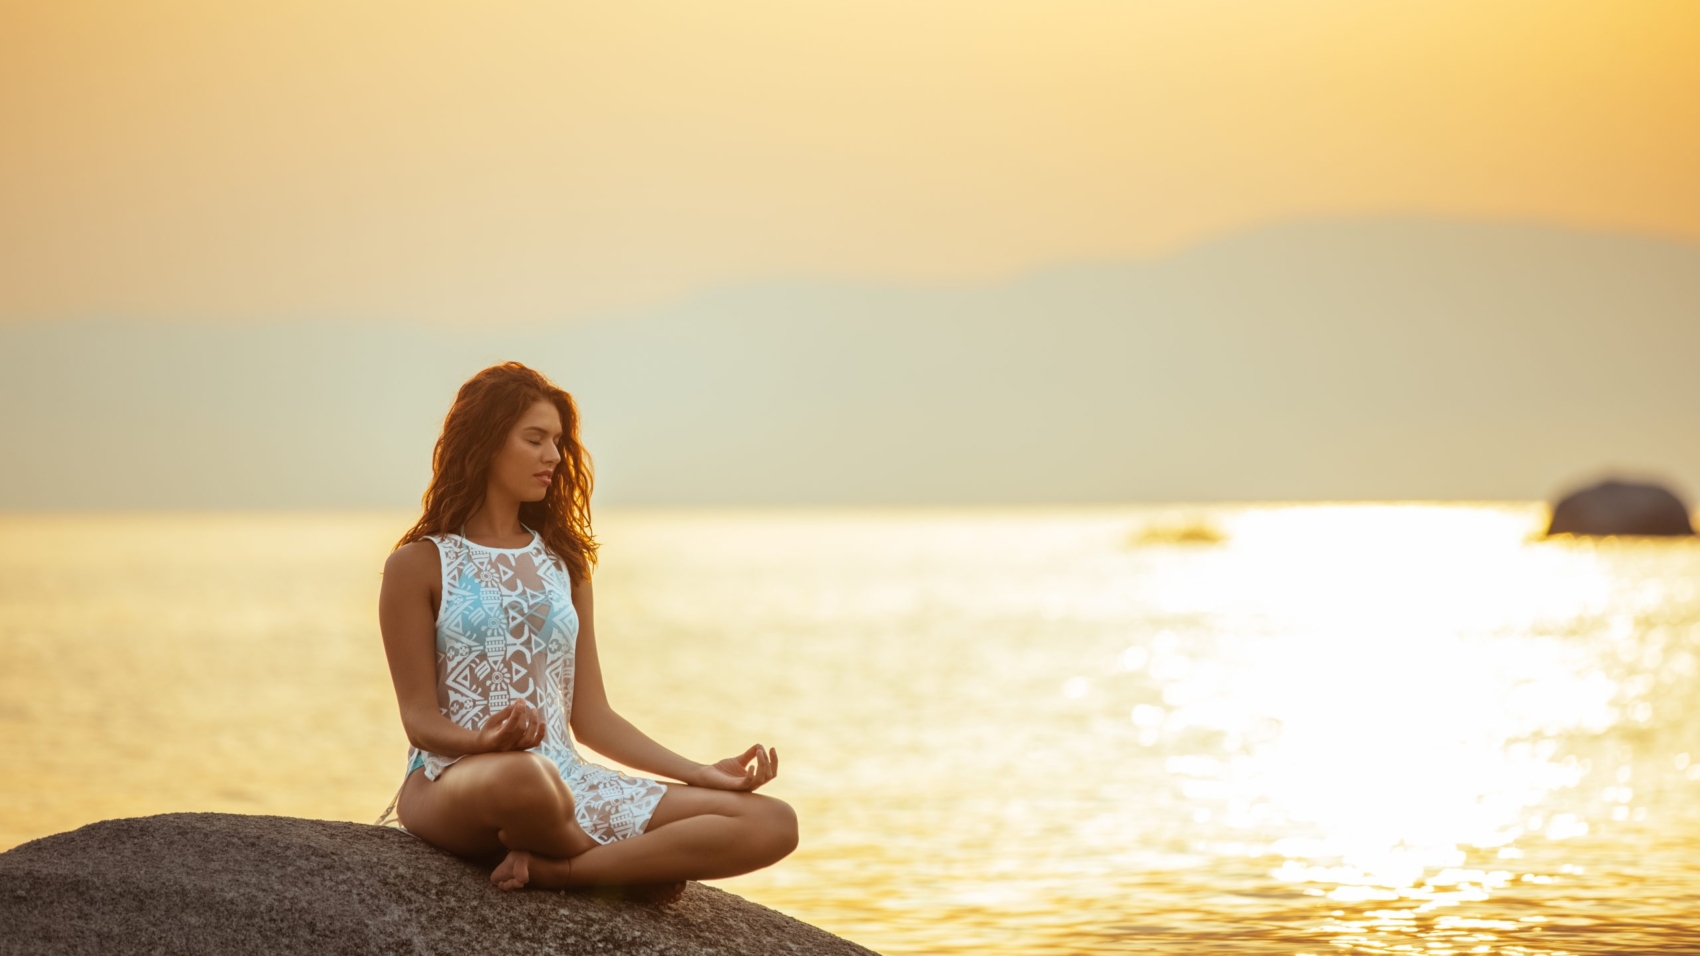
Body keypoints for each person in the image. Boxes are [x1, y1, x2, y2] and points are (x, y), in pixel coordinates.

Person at [372, 361, 798, 900]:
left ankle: (563, 870)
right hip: (452, 778)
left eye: (557, 441)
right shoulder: (418, 565)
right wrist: (486, 741)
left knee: (773, 821)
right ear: (484, 441)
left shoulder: (563, 564)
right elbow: (419, 720)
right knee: (524, 777)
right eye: (535, 439)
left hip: (565, 780)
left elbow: (590, 716)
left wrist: (701, 773)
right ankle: (622, 868)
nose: (553, 455)